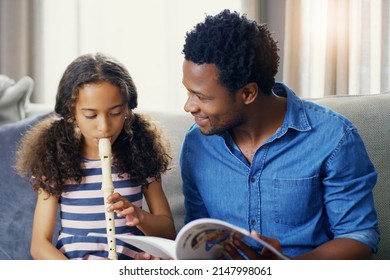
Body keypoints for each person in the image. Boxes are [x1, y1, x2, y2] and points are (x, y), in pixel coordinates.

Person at [178, 9, 380, 259]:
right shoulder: (197, 143)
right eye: (188, 92)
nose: (189, 106)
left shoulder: (334, 138)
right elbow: (196, 232)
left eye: (202, 97)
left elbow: (359, 237)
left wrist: (288, 269)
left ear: (248, 93)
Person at [15, 53, 176, 260]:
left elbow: (168, 232)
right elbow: (39, 246)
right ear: (72, 112)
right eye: (91, 115)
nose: (104, 127)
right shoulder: (55, 161)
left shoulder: (142, 157)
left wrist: (139, 216)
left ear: (127, 109)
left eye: (116, 113)